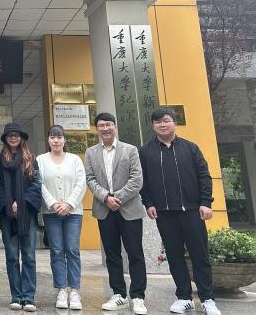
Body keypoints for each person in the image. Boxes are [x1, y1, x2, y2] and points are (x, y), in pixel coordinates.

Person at [139, 107, 221, 315]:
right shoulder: (146, 151)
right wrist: (148, 203)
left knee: (199, 255)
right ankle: (184, 297)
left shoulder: (190, 148)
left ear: (174, 123)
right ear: (153, 126)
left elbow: (204, 176)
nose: (163, 124)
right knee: (174, 256)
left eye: (166, 120)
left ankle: (207, 299)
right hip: (164, 213)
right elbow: (143, 181)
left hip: (191, 211)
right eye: (158, 121)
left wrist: (206, 202)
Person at [84, 112, 147, 315]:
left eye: (108, 124)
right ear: (97, 129)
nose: (105, 128)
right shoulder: (91, 152)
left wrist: (117, 198)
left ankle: (138, 296)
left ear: (115, 126)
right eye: (101, 125)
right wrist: (106, 198)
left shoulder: (130, 150)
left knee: (135, 253)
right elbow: (90, 179)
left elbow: (137, 179)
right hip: (105, 210)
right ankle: (119, 294)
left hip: (129, 208)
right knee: (112, 255)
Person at [36, 125, 85, 311]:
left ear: (64, 140)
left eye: (59, 137)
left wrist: (69, 204)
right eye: (52, 137)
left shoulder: (75, 160)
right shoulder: (41, 160)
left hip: (73, 212)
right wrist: (53, 203)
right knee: (56, 250)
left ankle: (75, 290)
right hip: (51, 213)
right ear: (48, 140)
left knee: (72, 249)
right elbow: (39, 183)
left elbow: (81, 183)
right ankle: (62, 289)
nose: (56, 140)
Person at [0, 123, 42, 312]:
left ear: (21, 138)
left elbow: (36, 184)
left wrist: (21, 204)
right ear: (5, 139)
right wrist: (8, 205)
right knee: (12, 257)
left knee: (29, 256)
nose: (13, 137)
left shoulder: (31, 159)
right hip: (7, 216)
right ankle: (16, 296)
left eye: (16, 135)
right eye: (10, 135)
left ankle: (28, 297)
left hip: (27, 215)